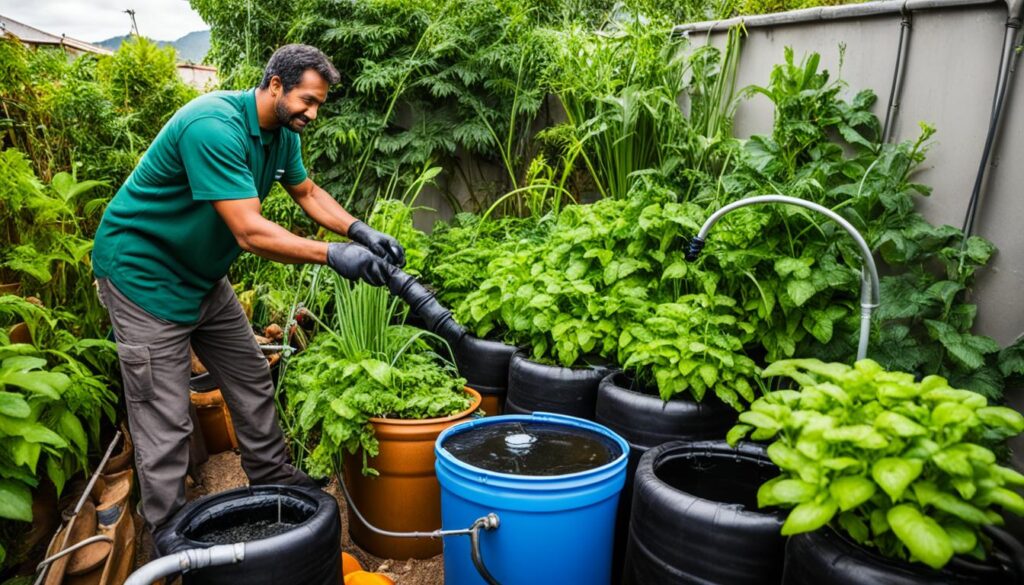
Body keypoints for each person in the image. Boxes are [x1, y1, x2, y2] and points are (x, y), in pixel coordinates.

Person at [91, 44, 405, 545]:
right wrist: (332, 254)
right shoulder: (213, 126)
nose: (313, 113)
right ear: (275, 85)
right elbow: (250, 233)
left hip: (200, 276)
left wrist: (359, 231)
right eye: (307, 100)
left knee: (252, 376)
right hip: (143, 276)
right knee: (166, 418)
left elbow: (306, 193)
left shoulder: (281, 134)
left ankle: (273, 475)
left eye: (319, 104)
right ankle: (169, 535)